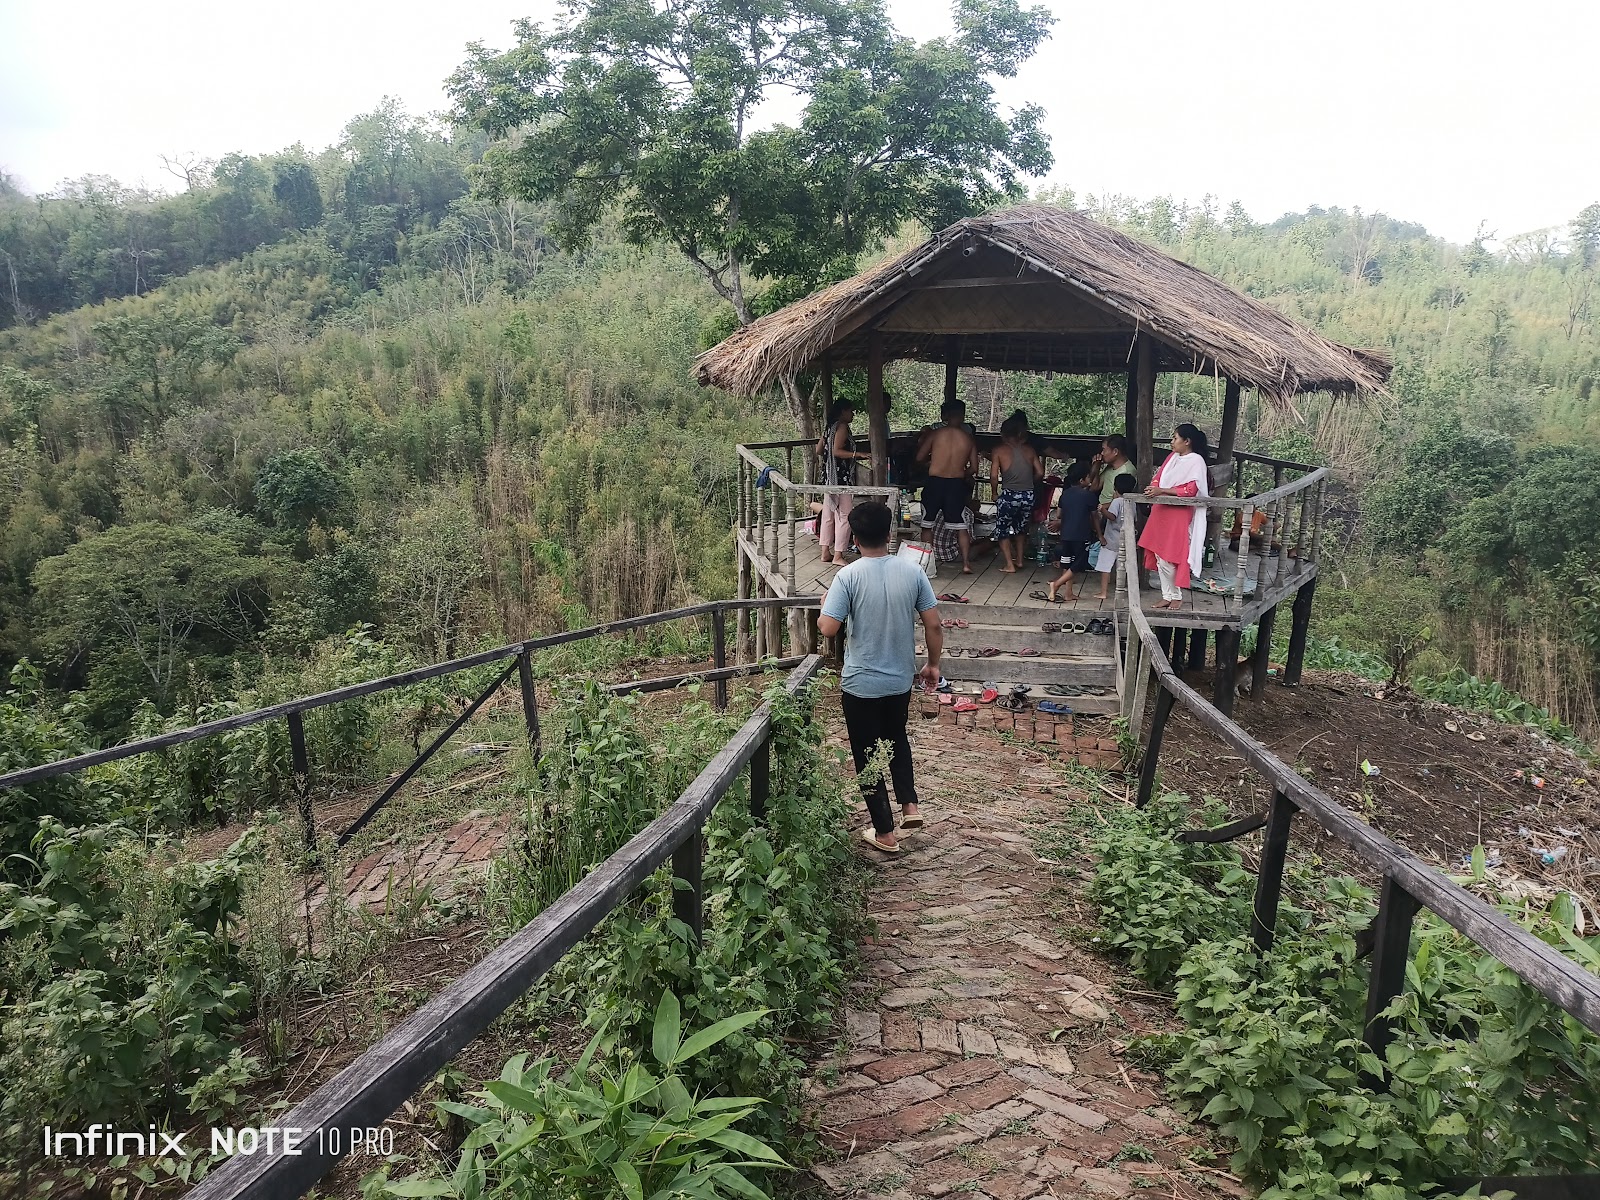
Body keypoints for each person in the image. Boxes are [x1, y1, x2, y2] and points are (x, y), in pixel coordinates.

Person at [817, 501, 942, 855]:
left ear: (854, 538)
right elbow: (933, 623)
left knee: (866, 753)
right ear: (889, 535)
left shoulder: (848, 576)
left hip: (861, 683)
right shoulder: (912, 572)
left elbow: (828, 628)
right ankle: (910, 806)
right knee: (896, 737)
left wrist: (828, 602)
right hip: (899, 680)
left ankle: (885, 833)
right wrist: (932, 664)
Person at [1138, 423, 1212, 610]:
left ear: (1187, 441)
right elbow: (1159, 476)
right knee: (1159, 553)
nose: (1172, 442)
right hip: (1161, 508)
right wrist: (1154, 488)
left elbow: (1190, 490)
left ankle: (1176, 595)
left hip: (1178, 512)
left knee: (1171, 554)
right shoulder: (1172, 457)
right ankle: (1166, 594)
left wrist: (1161, 490)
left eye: (1175, 438)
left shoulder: (1196, 461)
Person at [916, 400, 979, 573]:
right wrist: (960, 471)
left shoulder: (936, 434)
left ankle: (927, 563)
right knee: (960, 525)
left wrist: (934, 462)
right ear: (962, 415)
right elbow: (974, 468)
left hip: (935, 482)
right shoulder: (968, 439)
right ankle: (966, 564)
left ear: (946, 415)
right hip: (955, 484)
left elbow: (920, 457)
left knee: (927, 524)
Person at [817, 401, 868, 564]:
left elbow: (819, 450)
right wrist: (857, 454)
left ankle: (825, 552)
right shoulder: (842, 427)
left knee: (828, 514)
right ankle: (838, 555)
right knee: (844, 515)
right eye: (850, 411)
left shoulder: (829, 427)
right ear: (842, 412)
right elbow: (836, 451)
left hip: (829, 477)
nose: (852, 414)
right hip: (840, 477)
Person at [990, 414, 1043, 573]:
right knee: (1021, 528)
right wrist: (1029, 482)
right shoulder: (1029, 450)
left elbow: (993, 475)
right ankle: (1019, 560)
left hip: (1009, 495)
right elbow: (1040, 473)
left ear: (1002, 434)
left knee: (1002, 529)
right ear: (1020, 433)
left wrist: (994, 493)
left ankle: (1009, 564)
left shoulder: (999, 450)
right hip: (1028, 495)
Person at [1047, 462, 1099, 602]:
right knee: (1078, 564)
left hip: (1065, 535)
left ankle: (1068, 593)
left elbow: (1059, 515)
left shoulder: (1065, 495)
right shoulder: (1089, 496)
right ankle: (1056, 584)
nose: (1090, 480)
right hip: (1081, 535)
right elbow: (1095, 518)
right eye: (1089, 477)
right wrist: (1100, 535)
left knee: (1067, 563)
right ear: (1082, 480)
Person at [1096, 475, 1138, 601]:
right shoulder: (1132, 501)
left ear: (1115, 487)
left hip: (1111, 539)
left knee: (1105, 566)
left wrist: (1102, 510)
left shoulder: (1116, 502)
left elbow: (1112, 516)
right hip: (1125, 539)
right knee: (1123, 566)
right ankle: (1126, 590)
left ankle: (1103, 592)